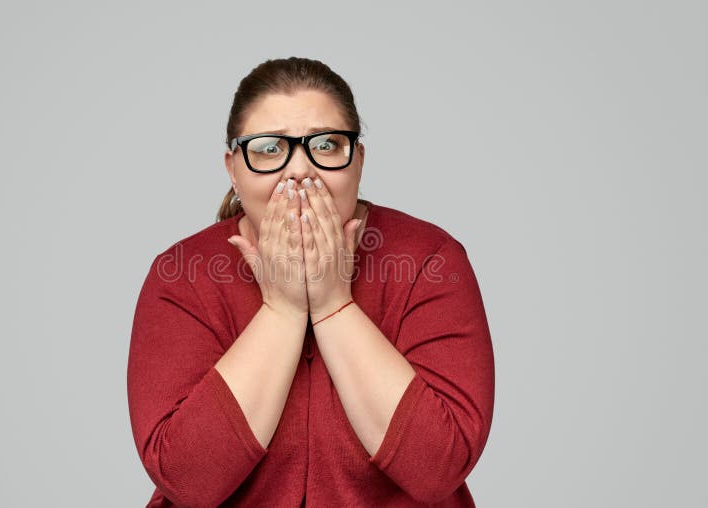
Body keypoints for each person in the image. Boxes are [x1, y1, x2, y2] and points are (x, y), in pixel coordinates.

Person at [127, 57, 495, 507]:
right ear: (233, 168)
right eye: (268, 149)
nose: (300, 171)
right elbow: (186, 479)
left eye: (325, 145)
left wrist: (333, 305)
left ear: (357, 160)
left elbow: (439, 466)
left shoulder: (431, 261)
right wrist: (280, 311)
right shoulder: (181, 274)